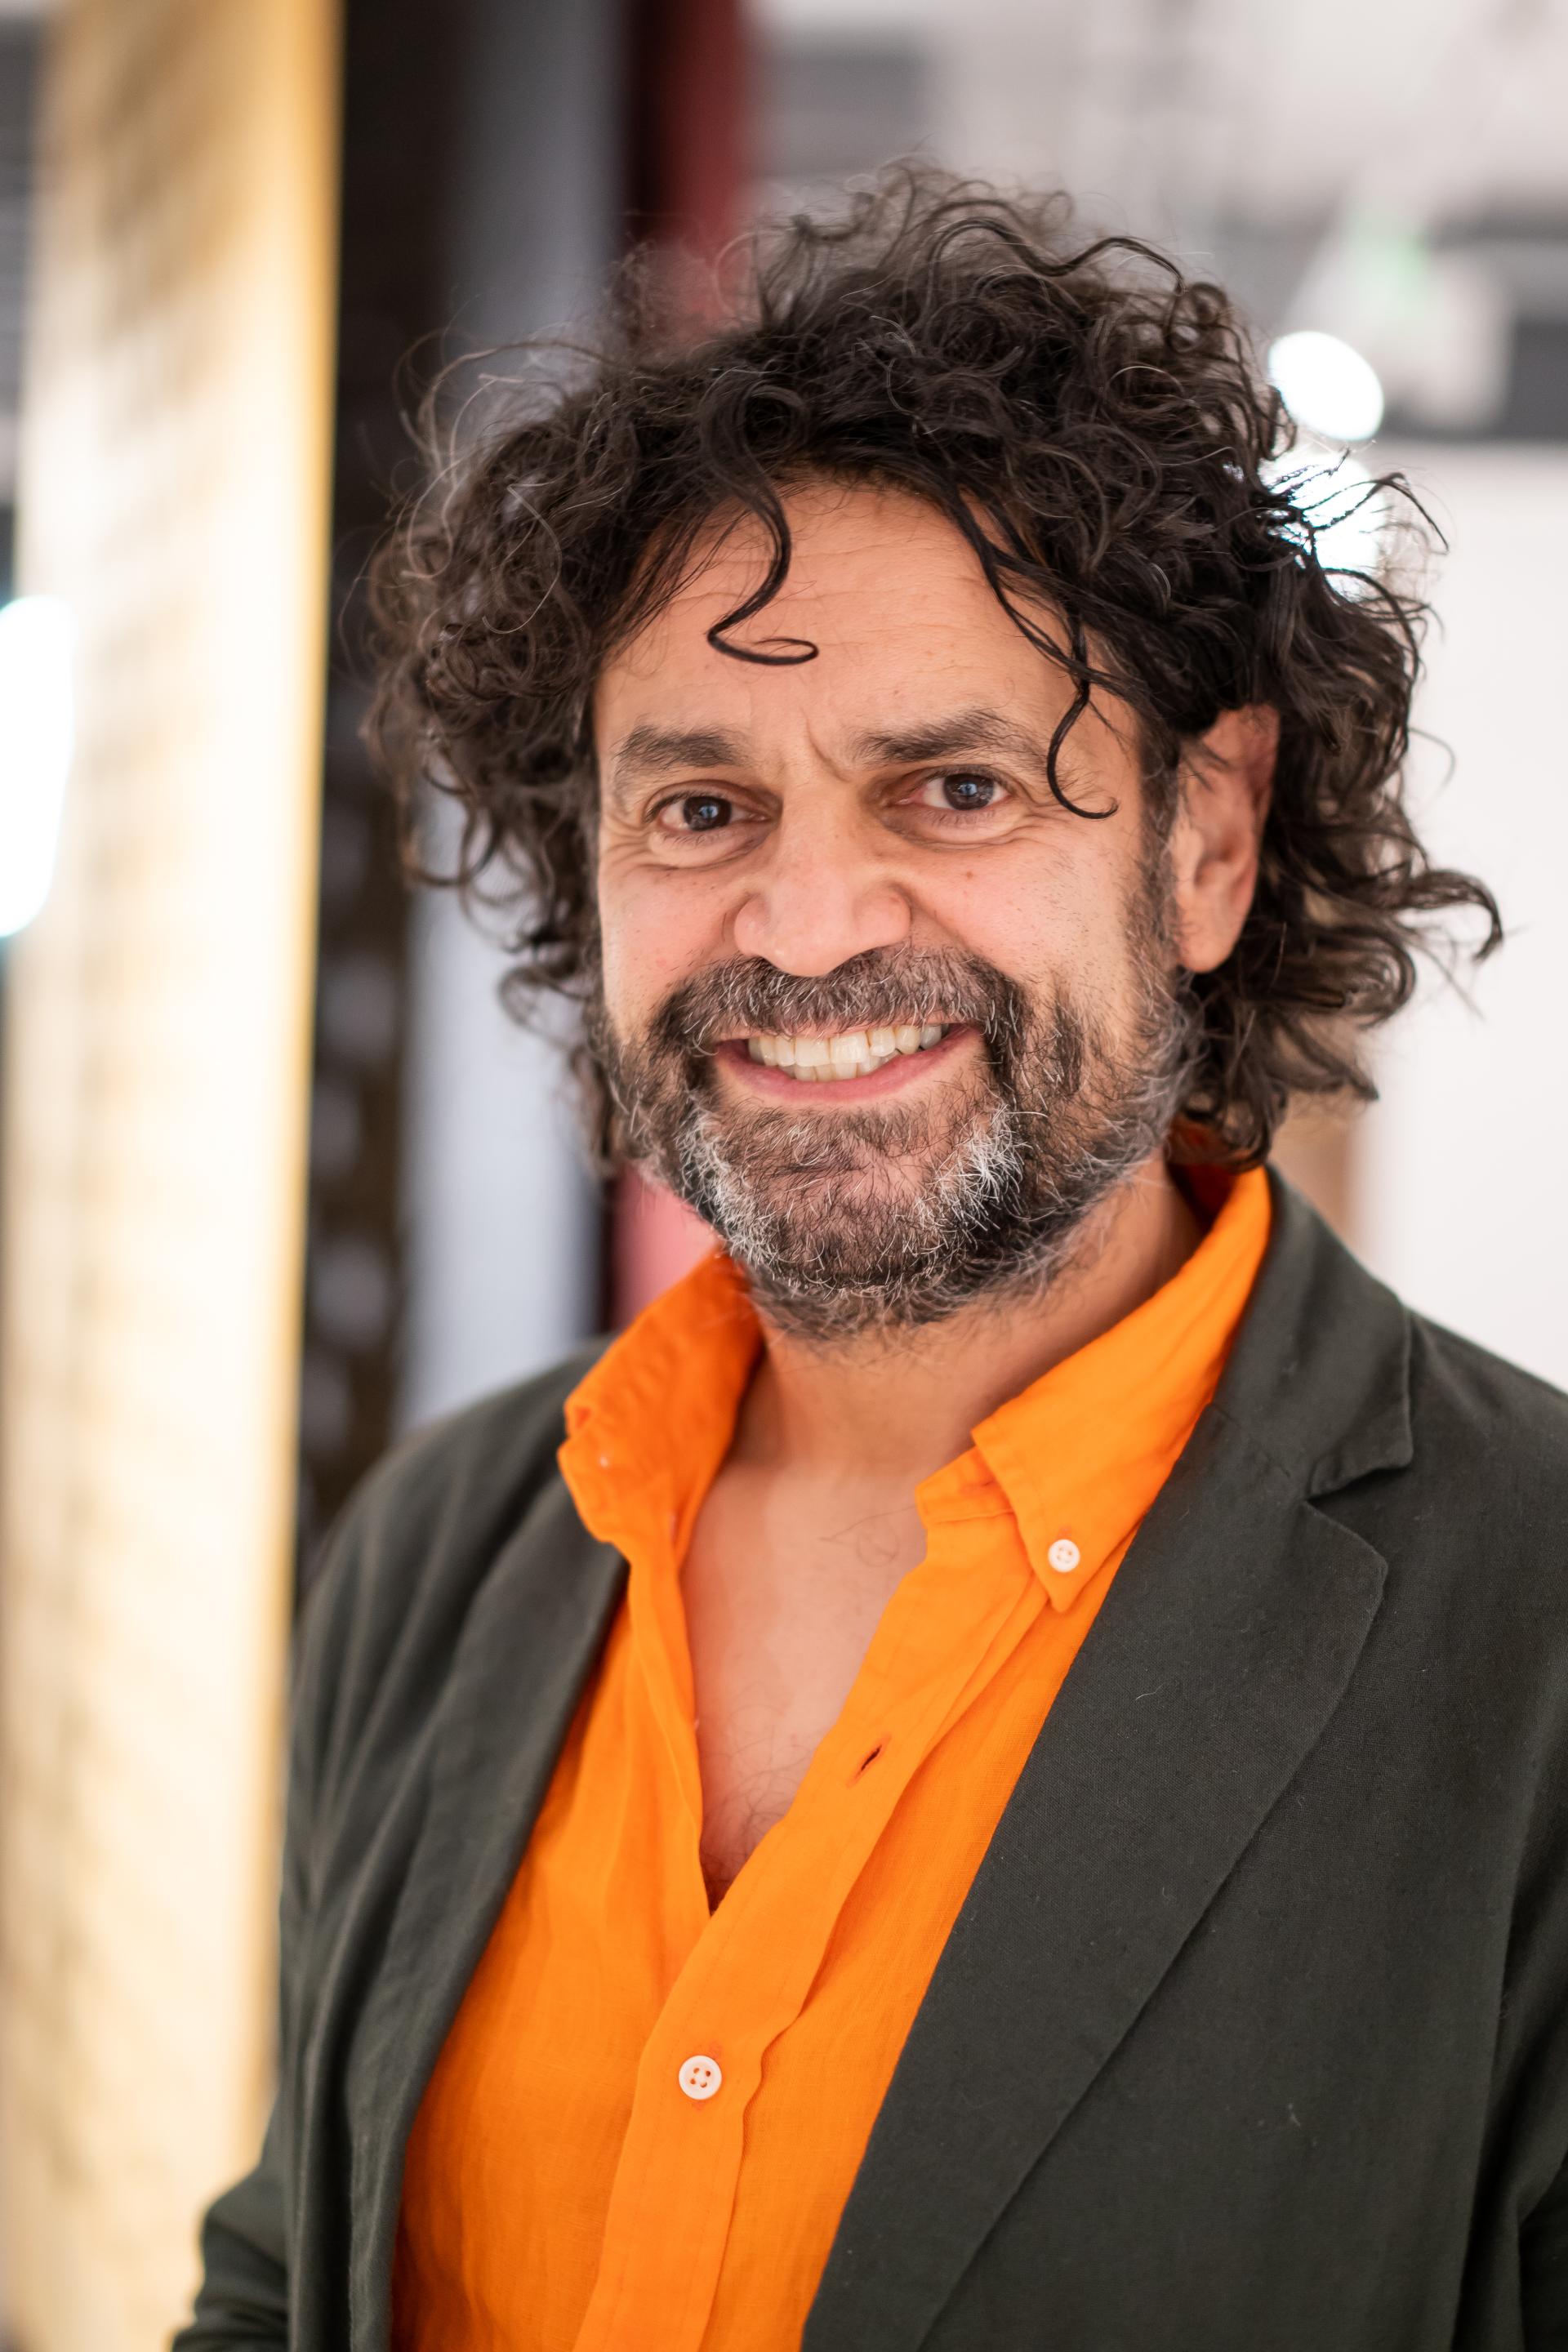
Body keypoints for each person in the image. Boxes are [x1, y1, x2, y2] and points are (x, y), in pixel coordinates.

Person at [177, 175, 1568, 2352]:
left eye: (949, 789)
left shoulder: (1537, 1620)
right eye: (704, 810)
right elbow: (289, 2276)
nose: (808, 931)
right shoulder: (448, 1549)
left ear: (1203, 842)